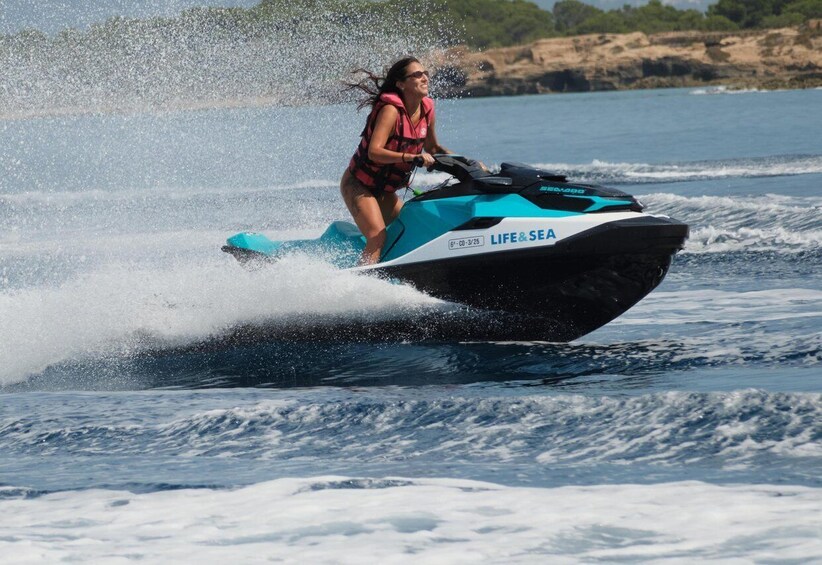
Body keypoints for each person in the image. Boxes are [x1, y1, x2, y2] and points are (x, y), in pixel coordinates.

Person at [342, 57, 451, 265]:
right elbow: (374, 152)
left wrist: (467, 163)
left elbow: (434, 148)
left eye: (425, 73)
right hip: (358, 184)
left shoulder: (427, 109)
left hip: (384, 190)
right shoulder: (390, 110)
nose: (425, 78)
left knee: (410, 229)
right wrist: (412, 157)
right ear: (401, 84)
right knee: (377, 236)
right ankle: (360, 282)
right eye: (417, 75)